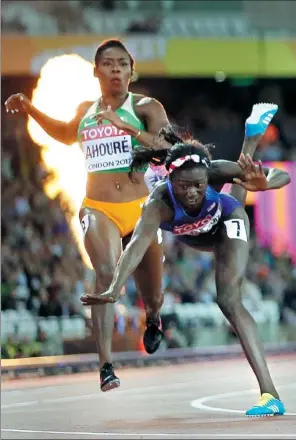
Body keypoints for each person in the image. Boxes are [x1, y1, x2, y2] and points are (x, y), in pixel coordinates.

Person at [94, 103, 291, 416]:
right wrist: (115, 286)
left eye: (199, 185)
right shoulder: (157, 202)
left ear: (207, 176)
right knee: (236, 189)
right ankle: (251, 137)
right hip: (195, 235)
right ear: (170, 181)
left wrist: (265, 183)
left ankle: (270, 394)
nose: (192, 193)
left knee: (228, 299)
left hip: (226, 223)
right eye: (184, 186)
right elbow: (135, 246)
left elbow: (282, 176)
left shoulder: (214, 170)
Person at [5, 38, 173, 392]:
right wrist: (31, 108)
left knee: (153, 294)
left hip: (142, 209)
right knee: (107, 275)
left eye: (122, 63)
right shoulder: (86, 110)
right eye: (108, 64)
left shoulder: (145, 106)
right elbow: (65, 135)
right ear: (95, 72)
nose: (115, 69)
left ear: (131, 70)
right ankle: (106, 365)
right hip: (99, 208)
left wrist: (128, 128)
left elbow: (169, 148)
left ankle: (154, 318)